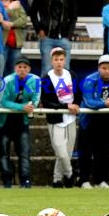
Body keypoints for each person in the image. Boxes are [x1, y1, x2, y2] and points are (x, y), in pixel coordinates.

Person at [77, 54, 109, 189]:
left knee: (104, 152)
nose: (107, 71)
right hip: (88, 121)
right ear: (99, 68)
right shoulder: (89, 80)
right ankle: (84, 180)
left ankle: (101, 180)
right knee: (86, 151)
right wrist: (104, 103)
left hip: (108, 121)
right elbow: (88, 101)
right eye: (104, 68)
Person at [40, 47, 81, 188]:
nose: (59, 62)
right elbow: (46, 101)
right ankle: (70, 175)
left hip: (70, 118)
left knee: (67, 153)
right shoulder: (46, 78)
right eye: (56, 59)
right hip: (55, 119)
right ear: (51, 61)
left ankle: (57, 179)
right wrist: (66, 106)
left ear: (65, 60)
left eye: (61, 59)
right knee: (61, 151)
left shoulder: (71, 75)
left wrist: (75, 105)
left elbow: (78, 94)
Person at [0, 56, 39, 188]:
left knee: (24, 152)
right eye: (19, 67)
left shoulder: (35, 80)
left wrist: (31, 105)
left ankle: (25, 181)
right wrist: (22, 107)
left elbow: (36, 98)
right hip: (5, 121)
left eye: (25, 67)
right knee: (4, 152)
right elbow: (3, 102)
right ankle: (7, 181)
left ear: (29, 69)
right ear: (15, 68)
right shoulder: (8, 81)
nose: (22, 70)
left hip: (22, 121)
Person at [28, 0, 77, 75]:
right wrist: (38, 29)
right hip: (47, 37)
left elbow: (73, 16)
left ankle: (64, 93)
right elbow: (33, 12)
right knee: (47, 70)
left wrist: (69, 35)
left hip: (63, 38)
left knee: (65, 70)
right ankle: (46, 93)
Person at [0, 0, 29, 76]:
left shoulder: (16, 3)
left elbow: (24, 20)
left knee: (15, 72)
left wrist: (11, 24)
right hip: (1, 43)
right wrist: (9, 9)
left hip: (15, 43)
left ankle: (13, 91)